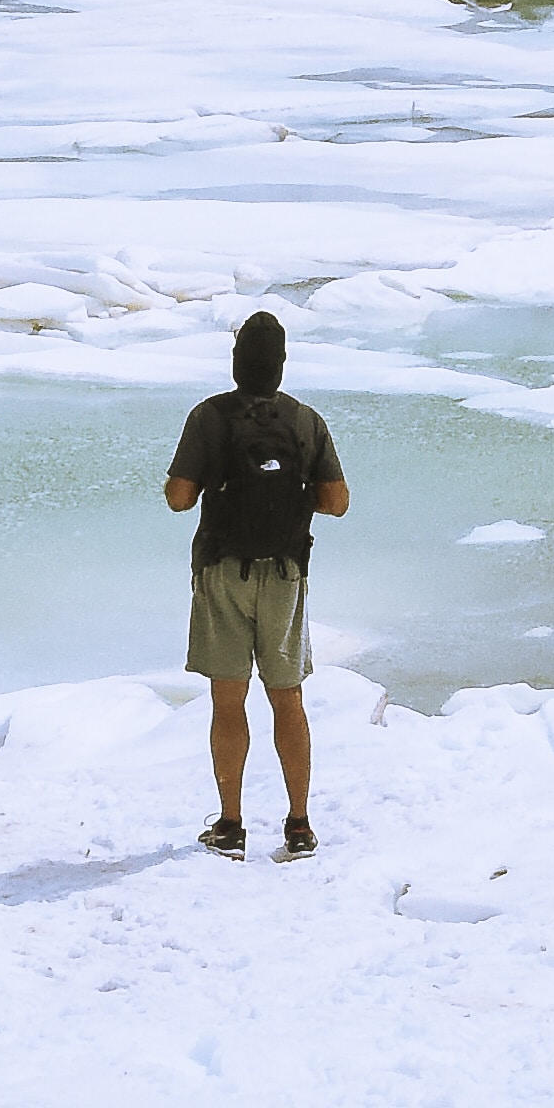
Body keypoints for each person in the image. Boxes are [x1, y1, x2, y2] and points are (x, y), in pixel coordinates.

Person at [165, 309, 347, 858]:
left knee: (228, 699)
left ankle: (230, 824)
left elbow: (178, 497)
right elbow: (337, 502)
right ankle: (298, 825)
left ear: (237, 360)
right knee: (287, 698)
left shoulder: (209, 417)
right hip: (286, 573)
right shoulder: (304, 421)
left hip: (222, 570)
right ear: (282, 364)